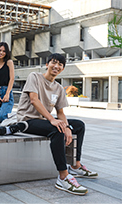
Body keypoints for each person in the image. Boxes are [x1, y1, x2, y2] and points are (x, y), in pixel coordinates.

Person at [16, 53, 98, 196]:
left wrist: (66, 126)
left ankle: (75, 165)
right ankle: (63, 177)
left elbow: (60, 112)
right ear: (47, 64)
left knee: (78, 125)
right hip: (27, 121)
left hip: (44, 121)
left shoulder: (59, 88)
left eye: (60, 64)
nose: (56, 66)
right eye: (54, 62)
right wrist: (53, 120)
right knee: (57, 129)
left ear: (62, 69)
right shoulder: (34, 77)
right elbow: (34, 100)